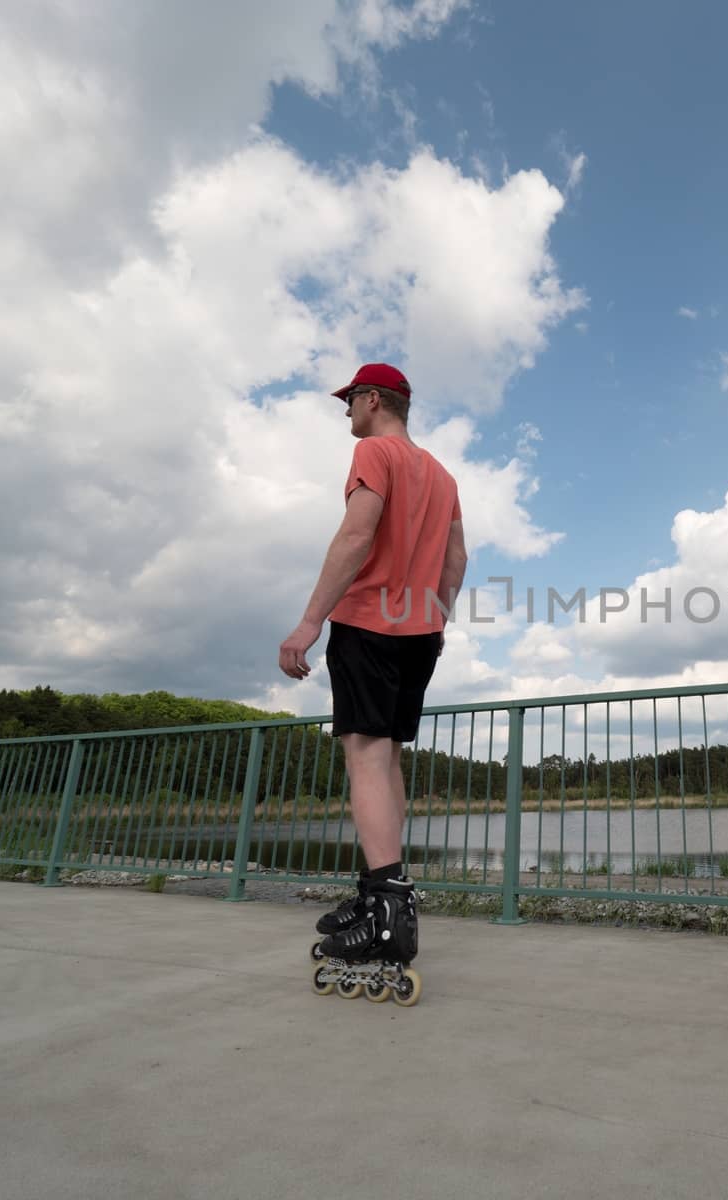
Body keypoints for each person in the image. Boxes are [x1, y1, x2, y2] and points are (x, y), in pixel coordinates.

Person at [278, 362, 467, 965]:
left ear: (374, 398)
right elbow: (456, 558)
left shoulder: (376, 456)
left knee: (363, 754)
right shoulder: (442, 475)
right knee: (385, 757)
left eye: (350, 401)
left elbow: (357, 536)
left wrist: (310, 622)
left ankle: (388, 910)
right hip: (420, 632)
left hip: (366, 624)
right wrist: (436, 615)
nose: (346, 413)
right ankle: (376, 889)